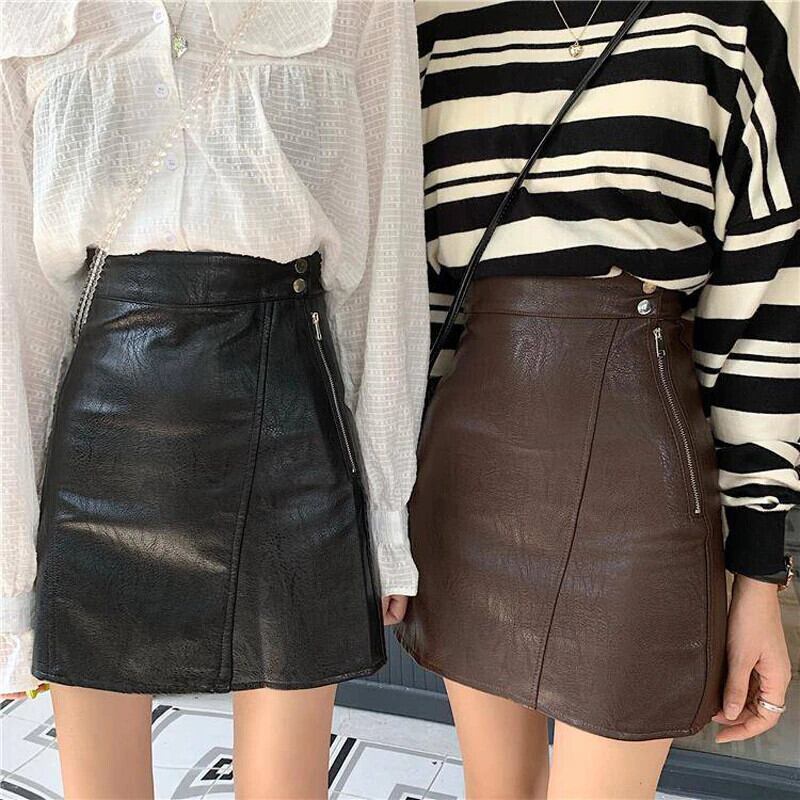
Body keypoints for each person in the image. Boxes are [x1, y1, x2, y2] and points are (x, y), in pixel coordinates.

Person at [0, 2, 428, 798]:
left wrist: (388, 516)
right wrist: (10, 561)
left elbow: (387, 267)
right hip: (101, 432)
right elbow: (14, 305)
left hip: (288, 418)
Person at [395, 1, 798, 797]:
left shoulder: (726, 27)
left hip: (639, 488)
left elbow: (765, 314)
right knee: (497, 790)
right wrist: (389, 514)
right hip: (467, 483)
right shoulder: (434, 34)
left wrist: (757, 576)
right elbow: (423, 316)